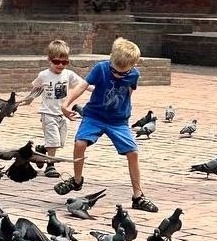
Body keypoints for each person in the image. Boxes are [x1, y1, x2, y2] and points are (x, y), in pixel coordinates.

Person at [53, 36, 158, 213]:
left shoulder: (134, 74)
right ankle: (77, 180)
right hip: (94, 116)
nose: (118, 75)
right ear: (111, 59)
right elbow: (82, 86)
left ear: (133, 65)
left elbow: (129, 92)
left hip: (118, 121)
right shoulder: (100, 68)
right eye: (115, 71)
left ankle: (138, 196)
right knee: (80, 143)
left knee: (133, 153)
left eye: (123, 73)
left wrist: (124, 109)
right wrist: (65, 104)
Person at [21, 39, 86, 177]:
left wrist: (97, 88)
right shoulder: (44, 75)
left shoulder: (69, 74)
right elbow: (36, 89)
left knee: (59, 142)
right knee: (54, 141)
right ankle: (50, 166)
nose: (60, 65)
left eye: (65, 62)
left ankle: (41, 149)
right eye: (57, 62)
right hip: (48, 113)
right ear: (49, 60)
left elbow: (84, 85)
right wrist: (28, 99)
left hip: (63, 114)